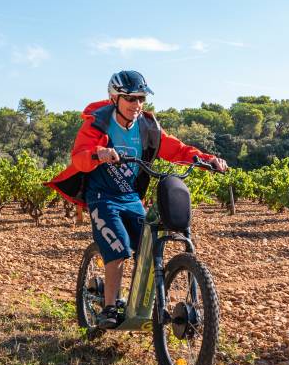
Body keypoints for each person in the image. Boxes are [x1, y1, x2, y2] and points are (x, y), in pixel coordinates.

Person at [47, 70, 227, 329]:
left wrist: (206, 159)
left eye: (141, 98)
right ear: (115, 98)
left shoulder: (148, 126)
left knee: (150, 245)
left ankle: (145, 305)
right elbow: (80, 156)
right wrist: (99, 153)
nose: (137, 104)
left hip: (131, 197)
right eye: (130, 99)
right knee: (118, 248)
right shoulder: (97, 123)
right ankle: (110, 306)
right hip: (102, 197)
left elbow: (176, 149)